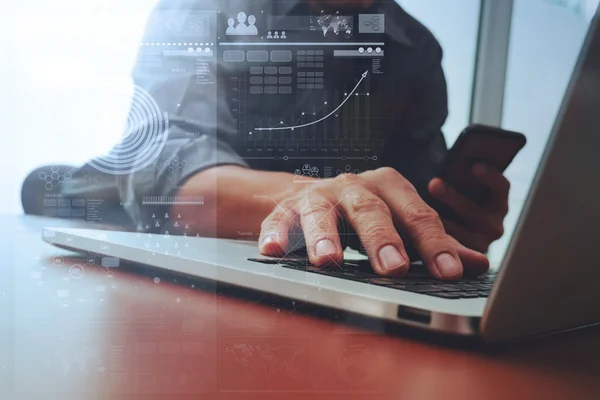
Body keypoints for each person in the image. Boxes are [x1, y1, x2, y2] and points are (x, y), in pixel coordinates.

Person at [23, 0, 509, 281]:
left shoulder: (417, 51)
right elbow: (172, 166)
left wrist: (442, 230)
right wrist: (308, 196)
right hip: (124, 212)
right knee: (52, 188)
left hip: (287, 255)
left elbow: (408, 199)